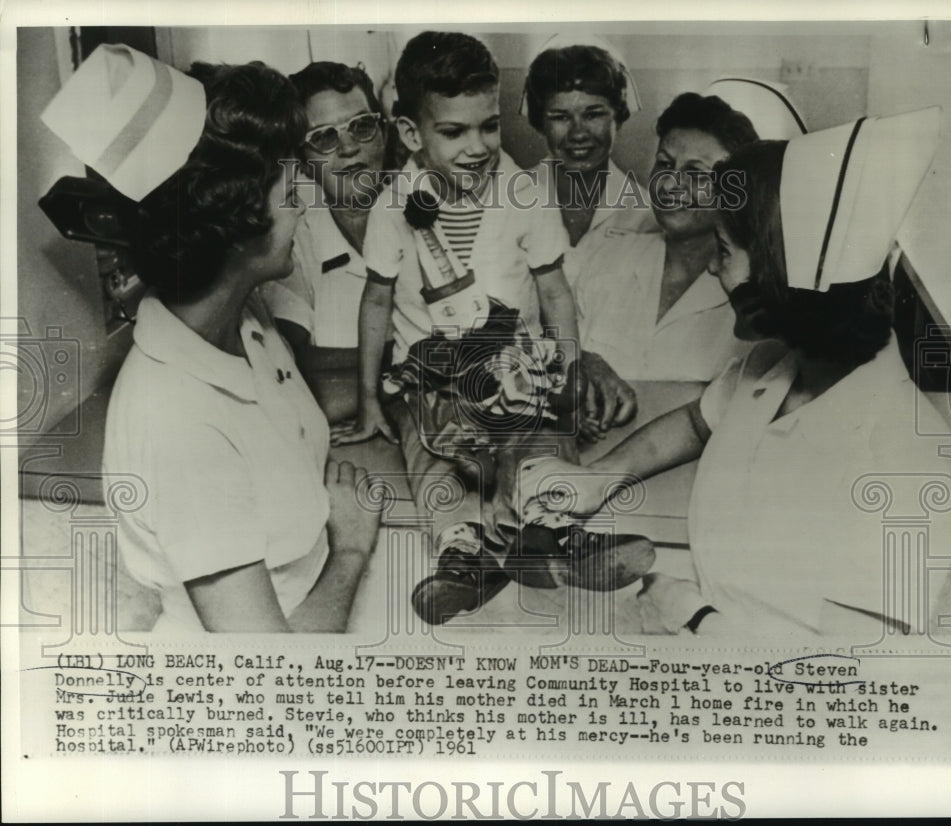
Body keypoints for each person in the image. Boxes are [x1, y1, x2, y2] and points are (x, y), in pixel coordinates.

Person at [521, 108, 951, 636]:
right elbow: (694, 423)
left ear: (781, 276)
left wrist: (692, 618)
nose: (713, 267)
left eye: (726, 252)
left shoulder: (911, 464)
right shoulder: (769, 369)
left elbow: (851, 683)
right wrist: (600, 478)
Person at [55, 52, 386, 632]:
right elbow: (267, 680)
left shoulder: (246, 319)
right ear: (238, 218)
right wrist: (352, 547)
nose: (303, 198)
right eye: (288, 181)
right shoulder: (179, 422)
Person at [333, 31, 651, 625]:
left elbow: (554, 290)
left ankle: (551, 535)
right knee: (429, 464)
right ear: (411, 134)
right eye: (453, 132)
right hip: (432, 392)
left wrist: (570, 368)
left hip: (519, 381)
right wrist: (370, 400)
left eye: (489, 126)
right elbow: (376, 302)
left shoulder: (525, 195)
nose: (477, 146)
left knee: (545, 445)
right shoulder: (391, 206)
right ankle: (461, 558)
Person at [570, 92, 761, 387]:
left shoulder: (752, 292)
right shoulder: (602, 254)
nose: (670, 185)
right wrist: (580, 362)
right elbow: (545, 344)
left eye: (695, 173)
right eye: (664, 164)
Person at [260, 61, 388, 423]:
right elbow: (294, 373)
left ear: (385, 134)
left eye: (362, 127)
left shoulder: (429, 210)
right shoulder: (293, 240)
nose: (348, 148)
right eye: (324, 137)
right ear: (302, 161)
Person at [521, 35, 650, 255]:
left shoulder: (647, 214)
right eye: (561, 117)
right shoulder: (510, 199)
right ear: (540, 123)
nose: (578, 133)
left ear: (617, 118)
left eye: (593, 115)